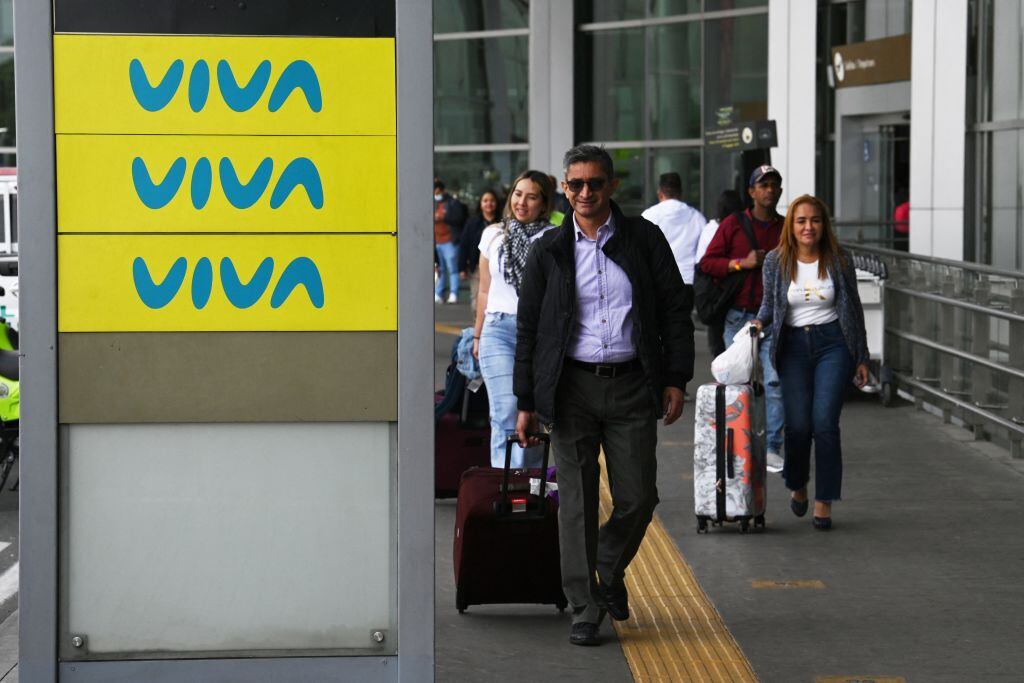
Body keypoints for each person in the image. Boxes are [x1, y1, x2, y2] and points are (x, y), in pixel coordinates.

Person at [513, 145, 694, 647]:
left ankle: (607, 569)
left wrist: (676, 377)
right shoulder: (550, 249)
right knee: (576, 503)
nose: (586, 193)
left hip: (633, 383)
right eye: (576, 184)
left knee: (638, 496)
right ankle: (585, 606)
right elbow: (529, 329)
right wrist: (525, 401)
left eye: (595, 183)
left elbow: (675, 310)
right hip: (570, 387)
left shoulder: (643, 238)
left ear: (612, 185)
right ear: (564, 188)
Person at [752, 195, 869, 531]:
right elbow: (769, 306)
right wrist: (758, 323)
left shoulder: (839, 259)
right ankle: (798, 483)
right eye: (801, 221)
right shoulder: (776, 261)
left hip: (834, 344)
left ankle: (824, 500)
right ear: (791, 226)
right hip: (792, 347)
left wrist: (861, 357)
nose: (808, 227)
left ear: (824, 225)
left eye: (815, 220)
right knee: (799, 425)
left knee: (825, 423)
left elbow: (853, 309)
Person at [699, 165, 785, 473]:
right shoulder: (734, 224)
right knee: (737, 384)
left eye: (774, 185)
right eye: (763, 185)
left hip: (772, 319)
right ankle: (738, 447)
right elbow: (708, 263)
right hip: (738, 319)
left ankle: (772, 447)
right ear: (751, 192)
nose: (769, 190)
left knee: (774, 381)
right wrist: (740, 263)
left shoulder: (785, 228)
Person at [472, 172, 557, 469]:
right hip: (497, 330)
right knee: (506, 410)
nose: (522, 202)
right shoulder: (493, 234)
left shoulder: (553, 238)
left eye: (531, 197)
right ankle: (503, 480)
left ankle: (529, 483)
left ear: (544, 203)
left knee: (532, 414)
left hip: (538, 334)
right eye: (518, 194)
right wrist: (477, 335)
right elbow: (484, 289)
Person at [695, 189, 745, 358]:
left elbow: (702, 262)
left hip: (715, 292)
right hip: (736, 291)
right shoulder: (742, 228)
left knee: (717, 340)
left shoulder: (710, 229)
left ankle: (720, 367)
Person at [641, 171, 707, 284]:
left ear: (660, 193)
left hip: (658, 281)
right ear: (681, 193)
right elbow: (703, 255)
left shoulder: (648, 216)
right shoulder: (698, 218)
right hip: (689, 280)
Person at [459, 189, 501, 314]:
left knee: (494, 300)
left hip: (496, 267)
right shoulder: (472, 222)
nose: (489, 204)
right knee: (476, 301)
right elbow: (464, 245)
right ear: (480, 204)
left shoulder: (503, 222)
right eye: (485, 201)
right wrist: (462, 268)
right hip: (477, 267)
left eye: (492, 201)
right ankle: (477, 324)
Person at [434, 179, 467, 304]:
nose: (435, 194)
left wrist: (443, 217)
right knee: (440, 269)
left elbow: (459, 218)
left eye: (437, 191)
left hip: (449, 241)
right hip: (437, 241)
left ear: (442, 190)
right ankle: (439, 293)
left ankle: (454, 293)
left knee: (452, 269)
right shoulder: (433, 203)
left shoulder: (452, 202)